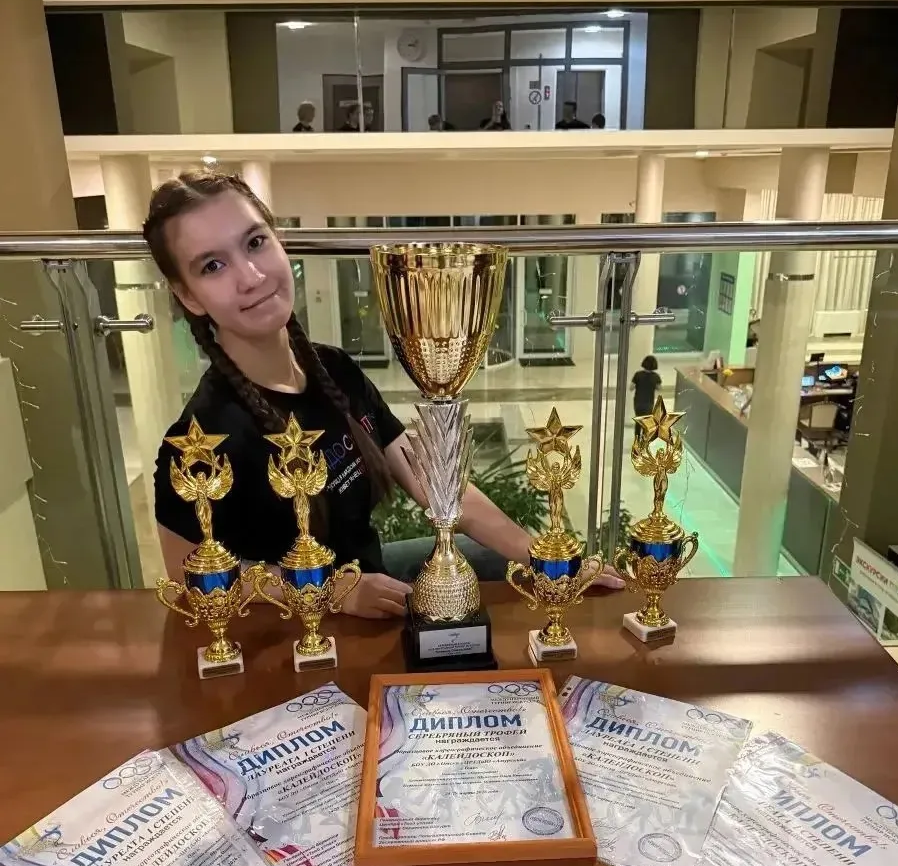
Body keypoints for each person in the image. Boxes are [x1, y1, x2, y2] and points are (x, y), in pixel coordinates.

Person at [144, 171, 624, 620]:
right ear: (188, 296)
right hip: (297, 630)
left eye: (255, 242)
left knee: (496, 569)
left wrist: (543, 558)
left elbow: (433, 482)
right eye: (213, 266)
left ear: (279, 240)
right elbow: (188, 580)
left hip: (374, 586)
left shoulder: (333, 370)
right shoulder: (200, 439)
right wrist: (331, 591)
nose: (251, 275)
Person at [631, 355, 662, 435]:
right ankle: (644, 439)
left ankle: (637, 439)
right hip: (648, 403)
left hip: (638, 402)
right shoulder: (656, 376)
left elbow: (631, 387)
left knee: (638, 421)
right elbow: (659, 388)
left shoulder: (638, 374)